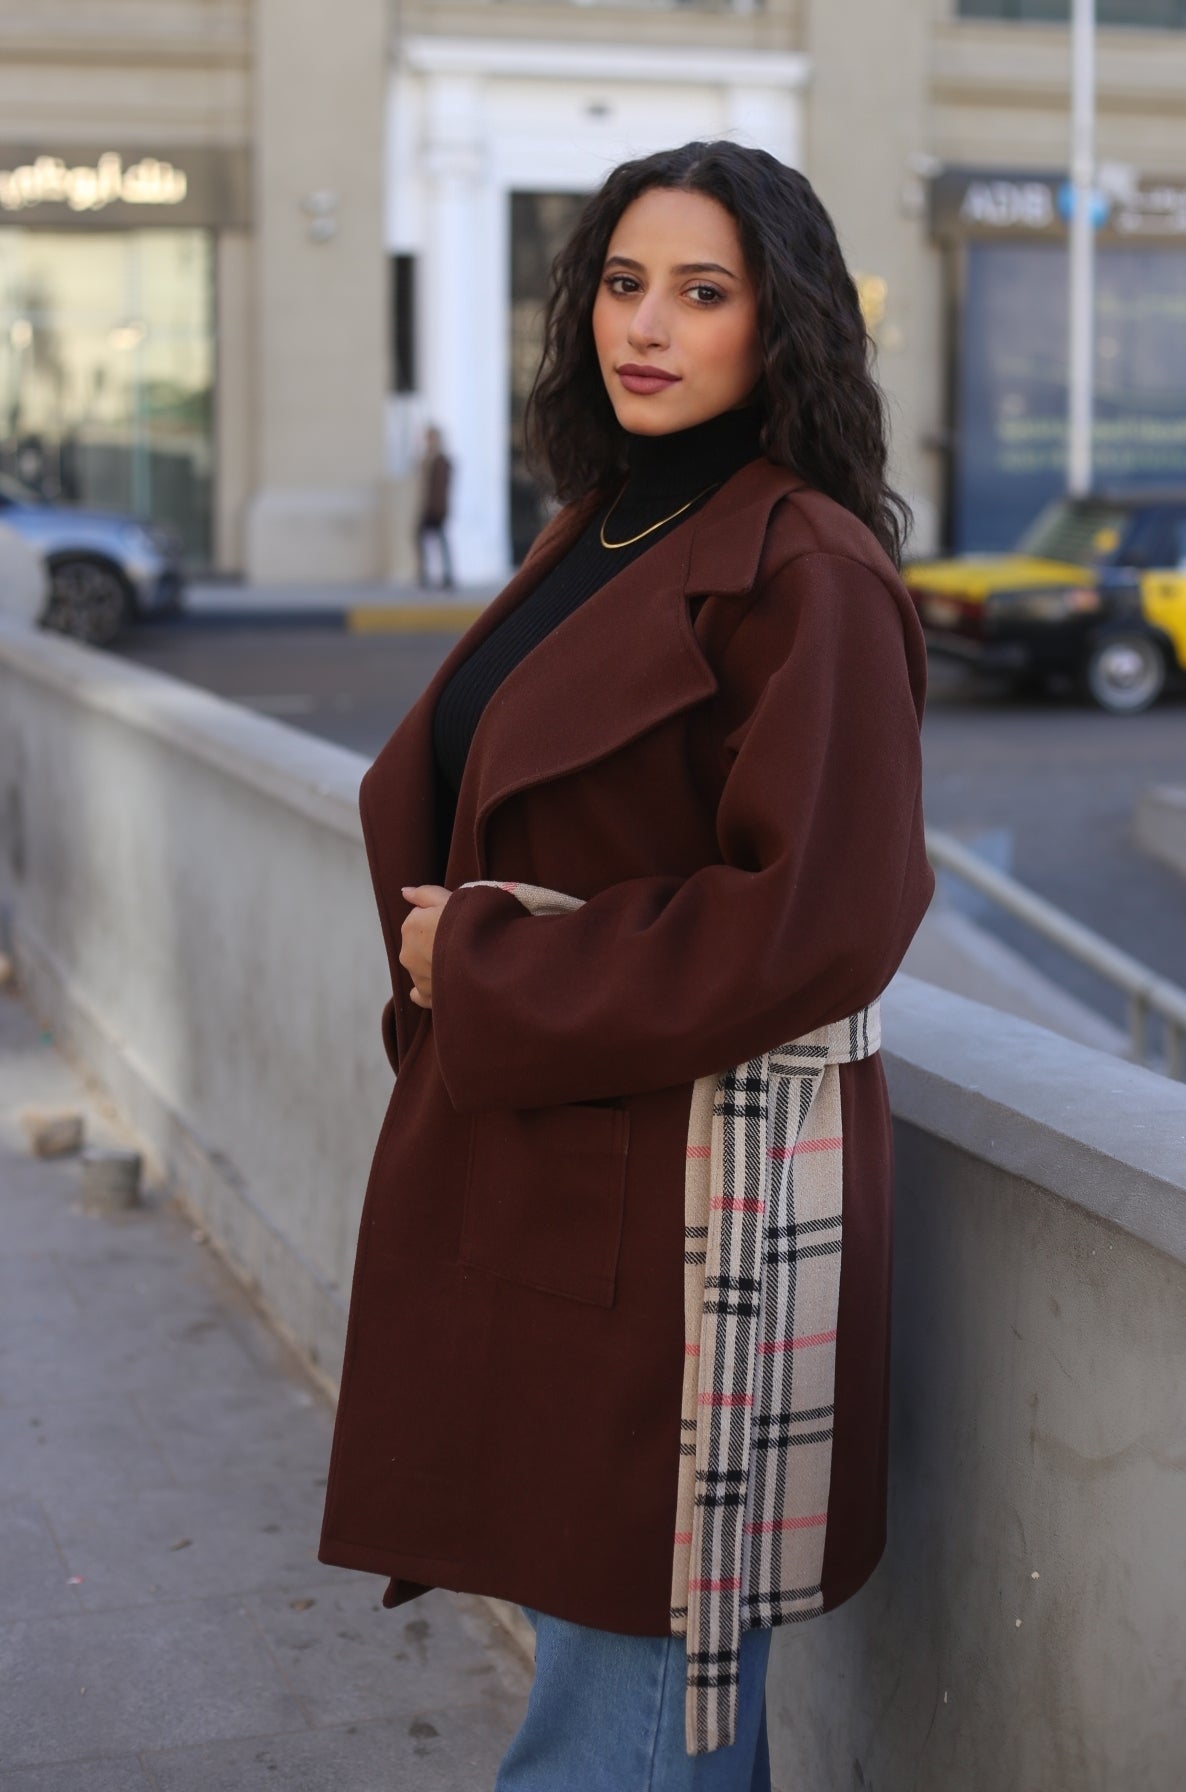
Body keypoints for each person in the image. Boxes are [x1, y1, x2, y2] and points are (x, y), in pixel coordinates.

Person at [318, 139, 934, 1790]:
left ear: (781, 323)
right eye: (621, 282)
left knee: (627, 1716)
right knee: (629, 1695)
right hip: (564, 1175)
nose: (645, 326)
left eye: (703, 292)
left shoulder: (808, 569)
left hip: (699, 1216)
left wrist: (497, 962)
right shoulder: (605, 526)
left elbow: (823, 916)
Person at [416, 423, 454, 588]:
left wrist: (438, 508)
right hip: (430, 506)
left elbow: (441, 488)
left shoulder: (440, 461)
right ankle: (432, 574)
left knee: (439, 539)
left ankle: (444, 575)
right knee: (431, 539)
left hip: (436, 508)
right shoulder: (429, 459)